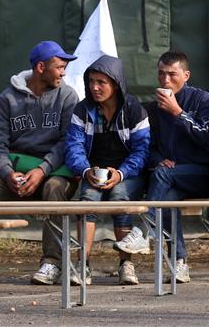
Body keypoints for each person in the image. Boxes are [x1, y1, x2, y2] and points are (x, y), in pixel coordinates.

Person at [0, 41, 79, 285]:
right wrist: (7, 173)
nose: (63, 73)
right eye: (59, 67)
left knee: (55, 188)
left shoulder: (67, 96)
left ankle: (51, 263)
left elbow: (67, 143)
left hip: (52, 174)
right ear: (41, 67)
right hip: (15, 173)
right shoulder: (7, 98)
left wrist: (41, 171)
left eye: (64, 68)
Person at [114, 51, 209, 283]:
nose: (166, 80)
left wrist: (177, 112)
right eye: (161, 74)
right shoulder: (151, 109)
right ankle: (179, 262)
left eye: (172, 74)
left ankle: (143, 231)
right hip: (169, 177)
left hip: (200, 173)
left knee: (163, 177)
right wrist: (158, 159)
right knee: (168, 197)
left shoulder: (202, 100)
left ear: (186, 75)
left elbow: (205, 137)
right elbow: (147, 146)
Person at [65, 55, 150, 286]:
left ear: (116, 83)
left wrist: (120, 173)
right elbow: (74, 147)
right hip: (93, 173)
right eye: (92, 81)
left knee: (119, 196)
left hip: (127, 174)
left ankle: (126, 264)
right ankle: (83, 265)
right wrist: (85, 171)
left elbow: (142, 152)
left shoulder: (134, 110)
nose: (95, 87)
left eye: (101, 82)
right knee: (88, 200)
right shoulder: (82, 110)